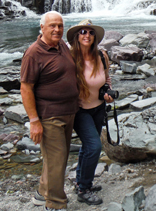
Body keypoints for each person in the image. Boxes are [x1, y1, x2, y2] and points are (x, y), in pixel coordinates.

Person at [21, 11, 79, 211]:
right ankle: (55, 204)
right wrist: (34, 120)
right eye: (52, 26)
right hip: (49, 115)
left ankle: (42, 193)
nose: (57, 29)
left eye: (60, 26)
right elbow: (26, 87)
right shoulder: (33, 53)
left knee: (56, 158)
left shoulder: (62, 45)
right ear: (42, 28)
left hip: (69, 112)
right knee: (57, 160)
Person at [66, 19, 115, 206]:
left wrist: (108, 92)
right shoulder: (70, 58)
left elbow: (107, 78)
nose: (87, 35)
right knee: (94, 147)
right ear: (77, 36)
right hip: (80, 111)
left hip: (98, 107)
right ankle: (84, 189)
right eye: (83, 32)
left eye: (90, 32)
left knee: (88, 147)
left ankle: (81, 182)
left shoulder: (101, 56)